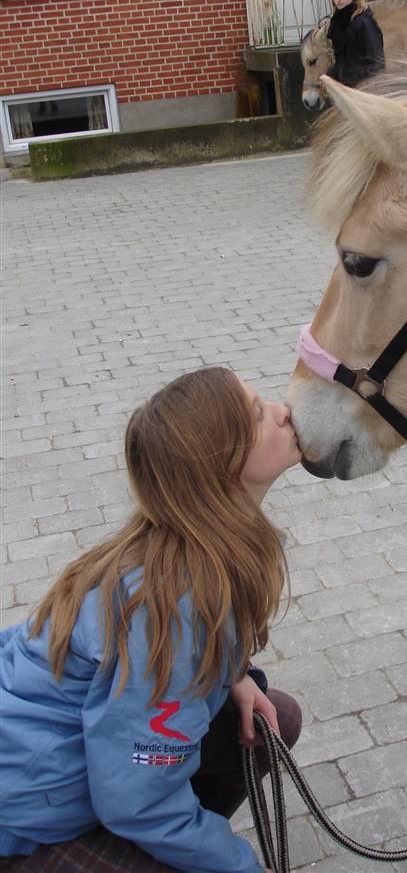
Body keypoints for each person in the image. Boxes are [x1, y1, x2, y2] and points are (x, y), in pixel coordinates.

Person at [0, 368, 303, 873]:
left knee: (274, 716)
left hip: (94, 768)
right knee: (153, 816)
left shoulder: (196, 543)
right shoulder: (169, 608)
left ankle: (171, 838)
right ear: (220, 467)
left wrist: (235, 674)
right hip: (27, 809)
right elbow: (134, 801)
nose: (282, 410)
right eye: (256, 415)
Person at [327, 0, 384, 87]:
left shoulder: (363, 22)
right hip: (344, 87)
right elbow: (340, 61)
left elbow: (376, 61)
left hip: (363, 87)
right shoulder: (336, 23)